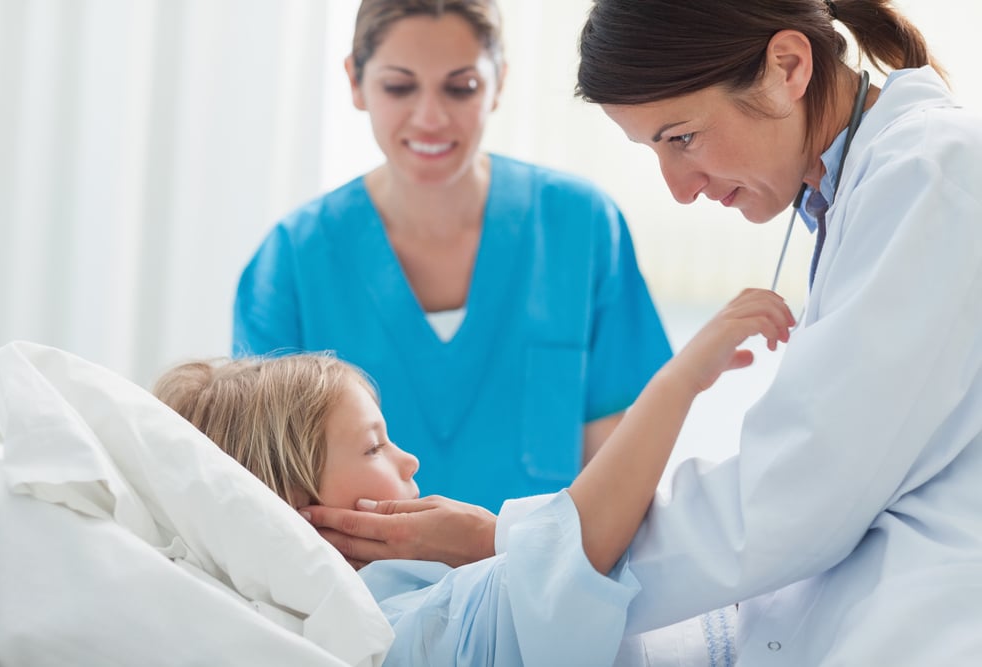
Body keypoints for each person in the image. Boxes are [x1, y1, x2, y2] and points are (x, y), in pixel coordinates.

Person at [304, 0, 982, 663]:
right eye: (654, 149)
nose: (680, 189)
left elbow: (798, 495)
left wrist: (509, 542)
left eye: (681, 137)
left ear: (787, 67)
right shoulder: (868, 190)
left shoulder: (929, 175)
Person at [158, 289, 793, 666]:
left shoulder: (416, 591)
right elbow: (578, 549)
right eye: (375, 445)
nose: (408, 461)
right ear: (298, 506)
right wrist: (680, 383)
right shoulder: (389, 631)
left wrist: (488, 539)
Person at [232, 0, 672, 513]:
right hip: (354, 587)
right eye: (400, 87)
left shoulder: (581, 227)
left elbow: (620, 471)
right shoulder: (292, 263)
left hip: (541, 582)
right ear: (355, 81)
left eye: (460, 88)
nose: (431, 117)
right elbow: (267, 496)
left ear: (499, 83)